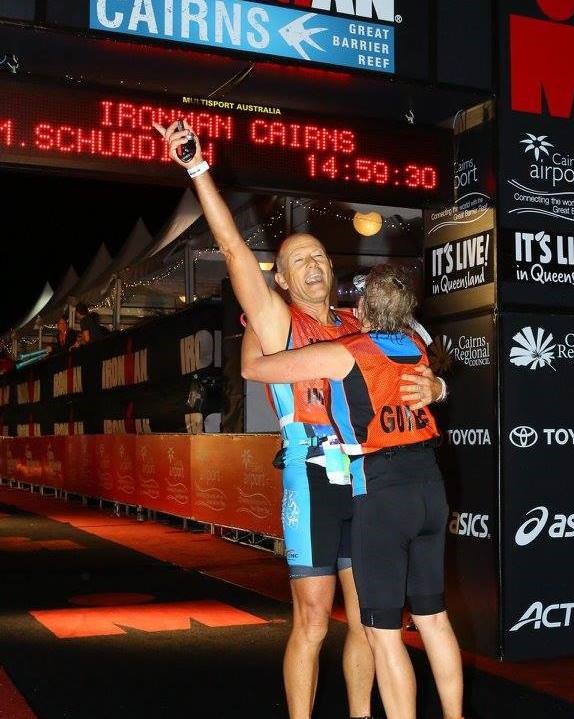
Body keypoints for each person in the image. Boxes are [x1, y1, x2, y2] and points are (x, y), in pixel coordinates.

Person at [153, 119, 444, 719]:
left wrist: (436, 384)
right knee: (312, 621)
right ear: (280, 280)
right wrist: (197, 168)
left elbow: (417, 367)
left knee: (370, 620)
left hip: (370, 483)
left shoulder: (360, 325)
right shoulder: (279, 325)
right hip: (311, 482)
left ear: (331, 271)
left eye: (318, 257)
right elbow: (234, 249)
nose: (311, 264)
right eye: (296, 260)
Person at [243, 264, 463, 719]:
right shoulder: (417, 347)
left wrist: (254, 322)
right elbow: (435, 379)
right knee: (434, 619)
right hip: (430, 487)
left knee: (382, 631)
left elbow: (257, 368)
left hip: (383, 492)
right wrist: (439, 387)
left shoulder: (345, 351)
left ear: (361, 310)